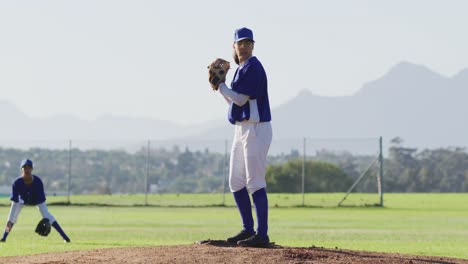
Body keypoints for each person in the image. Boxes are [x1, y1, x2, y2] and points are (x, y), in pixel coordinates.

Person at [213, 27, 272, 247]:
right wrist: (222, 89)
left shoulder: (253, 67)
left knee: (254, 182)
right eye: (241, 43)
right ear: (234, 46)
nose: (245, 46)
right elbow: (234, 102)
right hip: (242, 128)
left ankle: (262, 234)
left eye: (248, 43)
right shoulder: (240, 69)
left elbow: (239, 99)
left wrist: (220, 85)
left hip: (257, 129)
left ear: (253, 46)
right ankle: (248, 229)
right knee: (236, 181)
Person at [0, 159, 71, 243]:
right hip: (21, 200)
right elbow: (15, 200)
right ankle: (4, 237)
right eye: (24, 168)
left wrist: (45, 218)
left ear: (32, 169)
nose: (27, 170)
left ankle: (65, 237)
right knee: (11, 218)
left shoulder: (38, 182)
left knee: (47, 215)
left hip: (37, 200)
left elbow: (41, 200)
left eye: (29, 167)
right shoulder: (16, 183)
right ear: (21, 169)